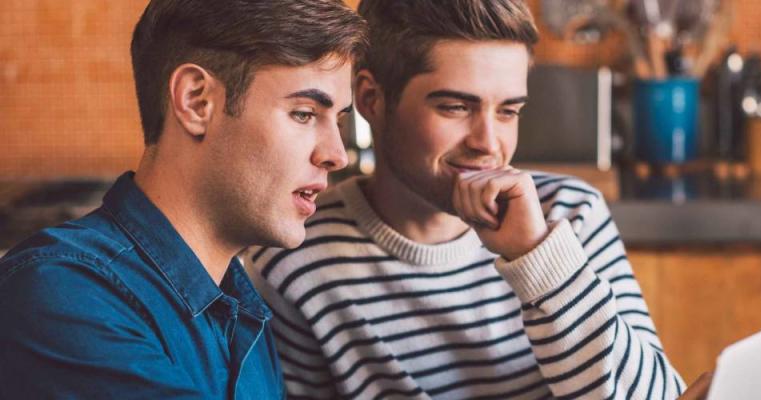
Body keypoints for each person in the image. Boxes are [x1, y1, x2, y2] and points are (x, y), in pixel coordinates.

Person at [248, 0, 698, 398]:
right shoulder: (293, 257)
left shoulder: (569, 215)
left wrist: (536, 258)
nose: (489, 143)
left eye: (508, 111)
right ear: (370, 98)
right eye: (455, 107)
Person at [0, 0, 365, 398]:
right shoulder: (64, 292)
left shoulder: (244, 312)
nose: (336, 154)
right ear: (196, 101)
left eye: (340, 121)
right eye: (304, 113)